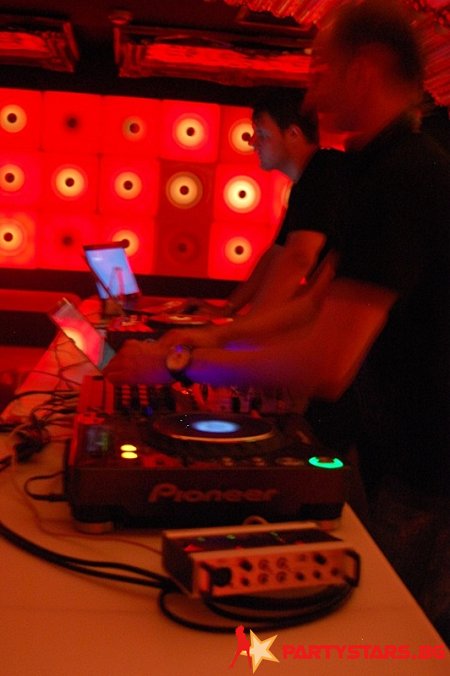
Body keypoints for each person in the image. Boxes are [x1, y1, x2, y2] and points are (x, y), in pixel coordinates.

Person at [104, 0, 450, 640]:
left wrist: (176, 365)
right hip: (400, 444)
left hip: (433, 462)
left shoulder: (412, 171)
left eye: (320, 71)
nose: (309, 92)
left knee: (393, 639)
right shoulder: (379, 165)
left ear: (364, 70)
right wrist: (209, 336)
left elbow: (327, 365)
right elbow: (315, 301)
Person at [186, 88, 347, 317]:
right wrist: (228, 309)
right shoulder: (312, 176)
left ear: (293, 133)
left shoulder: (323, 172)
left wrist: (249, 325)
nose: (252, 142)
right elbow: (277, 253)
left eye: (261, 133)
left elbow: (299, 257)